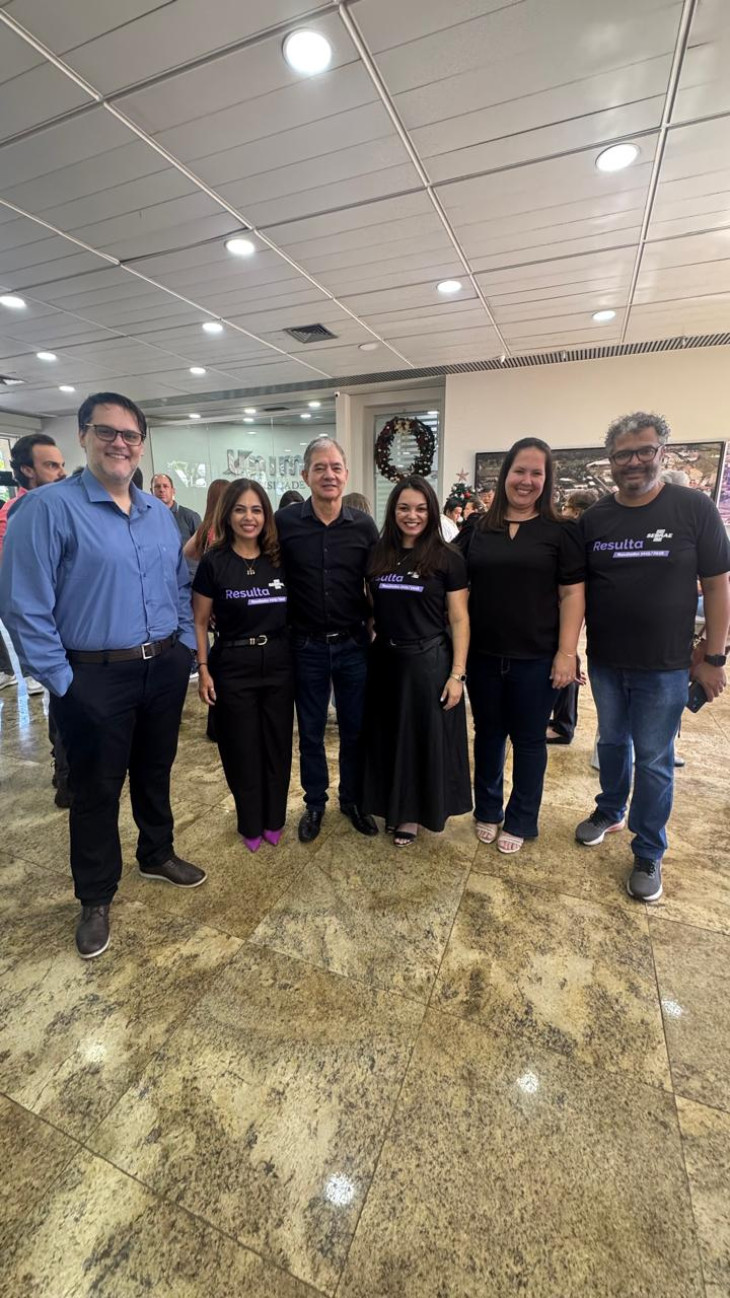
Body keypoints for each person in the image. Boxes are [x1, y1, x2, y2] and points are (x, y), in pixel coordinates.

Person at [0, 391, 206, 959]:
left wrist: (184, 649)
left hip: (162, 668)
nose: (120, 443)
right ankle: (95, 895)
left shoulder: (158, 514)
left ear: (141, 444)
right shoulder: (47, 510)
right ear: (83, 436)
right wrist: (62, 680)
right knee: (95, 790)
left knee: (155, 771)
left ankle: (157, 853)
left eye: (130, 435)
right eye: (107, 432)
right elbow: (23, 605)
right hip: (91, 676)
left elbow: (179, 584)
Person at [575, 411, 730, 902]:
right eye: (623, 454)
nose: (634, 462)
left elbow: (718, 586)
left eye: (644, 451)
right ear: (611, 460)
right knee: (611, 744)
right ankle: (610, 810)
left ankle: (648, 849)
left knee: (655, 759)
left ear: (662, 453)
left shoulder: (693, 508)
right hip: (606, 659)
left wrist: (715, 657)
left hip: (666, 666)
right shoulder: (595, 519)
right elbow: (576, 591)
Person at [457, 438, 585, 853]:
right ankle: (487, 809)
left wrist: (567, 653)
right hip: (483, 655)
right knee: (488, 735)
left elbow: (572, 594)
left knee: (529, 740)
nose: (526, 480)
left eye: (536, 473)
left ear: (547, 480)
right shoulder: (478, 528)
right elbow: (448, 577)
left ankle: (522, 819)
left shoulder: (561, 531)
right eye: (519, 471)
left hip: (537, 658)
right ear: (505, 475)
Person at [276, 436, 380, 843]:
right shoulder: (285, 524)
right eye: (320, 468)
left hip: (353, 644)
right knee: (311, 732)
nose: (329, 474)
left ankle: (351, 800)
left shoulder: (364, 527)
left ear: (346, 474)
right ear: (305, 475)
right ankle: (315, 803)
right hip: (306, 645)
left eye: (336, 467)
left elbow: (377, 582)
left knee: (356, 729)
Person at [363, 476, 471, 845]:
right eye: (404, 508)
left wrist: (458, 674)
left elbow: (459, 618)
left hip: (428, 662)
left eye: (421, 508)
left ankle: (411, 815)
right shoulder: (378, 554)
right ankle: (389, 805)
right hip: (385, 661)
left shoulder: (447, 557)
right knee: (388, 737)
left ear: (432, 511)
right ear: (393, 511)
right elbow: (372, 606)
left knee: (418, 741)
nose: (412, 515)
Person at [194, 480, 293, 852]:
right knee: (241, 748)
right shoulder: (214, 562)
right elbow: (199, 621)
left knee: (277, 746)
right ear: (227, 514)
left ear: (266, 515)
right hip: (233, 664)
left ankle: (275, 819)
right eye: (240, 509)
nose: (248, 517)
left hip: (279, 662)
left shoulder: (279, 558)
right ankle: (250, 822)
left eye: (256, 510)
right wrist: (203, 668)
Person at [0, 433, 66, 696]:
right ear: (27, 470)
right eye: (52, 465)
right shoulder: (17, 513)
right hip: (52, 639)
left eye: (61, 465)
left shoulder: (62, 507)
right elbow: (18, 596)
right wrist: (53, 674)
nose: (62, 473)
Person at [546, 489, 600, 745]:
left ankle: (563, 725)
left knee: (566, 658)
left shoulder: (575, 535)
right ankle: (562, 721)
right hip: (569, 607)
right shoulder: (584, 537)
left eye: (567, 507)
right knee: (569, 657)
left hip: (567, 607)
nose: (563, 511)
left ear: (577, 510)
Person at [151, 472, 202, 544]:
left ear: (173, 491)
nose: (161, 490)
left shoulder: (190, 517)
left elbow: (202, 546)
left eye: (165, 486)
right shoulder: (146, 518)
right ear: (151, 491)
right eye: (157, 486)